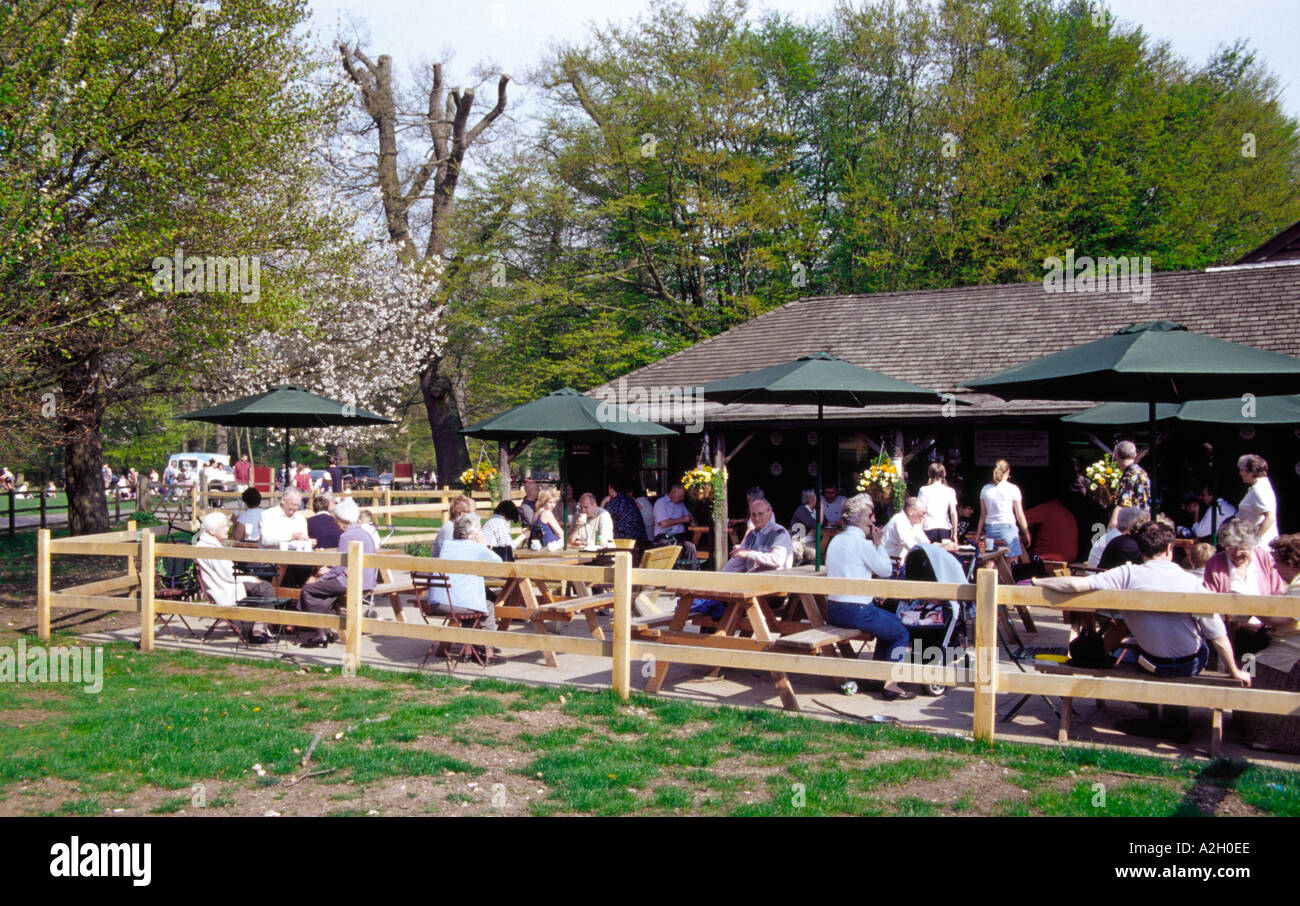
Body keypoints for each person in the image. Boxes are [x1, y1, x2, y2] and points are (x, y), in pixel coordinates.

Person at [1031, 522, 1252, 685]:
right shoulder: (1191, 582)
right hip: (1189, 664)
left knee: (1134, 634)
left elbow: (1077, 585)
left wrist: (1038, 581)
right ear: (1169, 549)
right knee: (1200, 641)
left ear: (1140, 550)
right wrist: (1234, 671)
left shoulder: (1126, 574)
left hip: (1152, 662)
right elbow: (1218, 636)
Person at [825, 493, 912, 701]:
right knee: (901, 633)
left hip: (835, 609)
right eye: (869, 515)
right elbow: (885, 570)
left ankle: (876, 677)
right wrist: (879, 543)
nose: (873, 520)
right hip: (857, 610)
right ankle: (891, 684)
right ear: (857, 519)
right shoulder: (863, 544)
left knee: (893, 624)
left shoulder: (836, 541)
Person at [689, 498, 792, 619]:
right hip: (755, 588)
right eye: (753, 514)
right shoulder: (752, 535)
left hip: (774, 593)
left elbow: (777, 560)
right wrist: (718, 580)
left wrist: (748, 553)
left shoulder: (779, 533)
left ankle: (718, 634)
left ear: (770, 513)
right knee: (715, 604)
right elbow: (737, 562)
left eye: (760, 514)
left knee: (726, 607)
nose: (757, 517)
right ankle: (713, 635)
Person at [421, 514, 504, 663]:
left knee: (473, 600)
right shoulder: (475, 547)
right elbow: (499, 563)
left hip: (437, 603)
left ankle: (467, 651)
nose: (482, 532)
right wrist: (483, 546)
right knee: (487, 603)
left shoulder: (447, 545)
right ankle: (489, 653)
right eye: (479, 529)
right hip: (457, 605)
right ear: (472, 533)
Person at [298, 499, 377, 648]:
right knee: (326, 593)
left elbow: (339, 569)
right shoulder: (366, 533)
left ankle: (320, 633)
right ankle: (324, 631)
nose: (336, 523)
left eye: (337, 520)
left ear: (344, 520)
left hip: (350, 581)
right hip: (367, 581)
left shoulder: (346, 536)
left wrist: (319, 578)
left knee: (309, 590)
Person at [192, 511, 274, 643]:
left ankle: (255, 627)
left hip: (224, 584)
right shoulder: (212, 548)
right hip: (224, 588)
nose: (228, 528)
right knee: (266, 588)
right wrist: (251, 578)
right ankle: (257, 631)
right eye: (224, 526)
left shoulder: (206, 544)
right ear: (212, 531)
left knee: (262, 586)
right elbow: (229, 576)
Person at [976, 459, 1031, 560]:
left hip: (990, 529)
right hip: (1008, 528)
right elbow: (1019, 515)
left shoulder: (985, 489)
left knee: (991, 562)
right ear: (1008, 471)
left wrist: (978, 534)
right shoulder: (1013, 489)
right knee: (1011, 562)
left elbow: (983, 514)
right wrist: (1026, 533)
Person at [1236, 454, 1278, 548]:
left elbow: (1270, 518)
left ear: (1250, 472)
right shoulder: (1260, 485)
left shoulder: (1259, 489)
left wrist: (1253, 540)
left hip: (1259, 546)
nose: (1240, 473)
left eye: (1241, 470)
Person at [1108, 440, 1151, 529]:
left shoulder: (1129, 475)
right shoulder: (1142, 472)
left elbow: (1123, 503)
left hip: (1133, 524)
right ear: (1134, 455)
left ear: (1117, 456)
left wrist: (1111, 526)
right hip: (1145, 521)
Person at [1023, 499, 1078, 563]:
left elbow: (1019, 520)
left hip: (1047, 558)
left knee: (1017, 540)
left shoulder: (1046, 508)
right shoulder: (1066, 512)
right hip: (1070, 559)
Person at [652, 483, 696, 560]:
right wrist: (683, 519)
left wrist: (691, 520)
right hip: (664, 536)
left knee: (690, 547)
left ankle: (693, 571)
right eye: (680, 496)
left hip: (679, 537)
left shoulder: (680, 504)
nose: (682, 498)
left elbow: (689, 516)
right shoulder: (661, 503)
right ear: (673, 493)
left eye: (683, 496)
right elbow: (664, 523)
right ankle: (673, 571)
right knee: (671, 548)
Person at [917, 463, 958, 544]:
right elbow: (953, 512)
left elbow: (921, 512)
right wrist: (955, 533)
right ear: (944, 474)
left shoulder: (924, 490)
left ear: (929, 473)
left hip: (928, 528)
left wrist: (919, 530)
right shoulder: (950, 491)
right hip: (945, 528)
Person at [881, 497, 930, 561]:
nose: (924, 516)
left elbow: (925, 542)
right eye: (922, 513)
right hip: (887, 561)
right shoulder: (899, 520)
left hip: (896, 562)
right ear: (911, 511)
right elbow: (910, 545)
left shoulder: (914, 523)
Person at [1269, 535, 1300, 632]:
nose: (1274, 566)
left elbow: (1277, 620)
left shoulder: (1298, 587)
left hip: (1289, 644)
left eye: (1277, 561)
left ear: (1290, 562)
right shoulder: (1292, 584)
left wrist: (1249, 604)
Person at [789, 489, 819, 565]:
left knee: (817, 555)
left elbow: (825, 522)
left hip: (808, 542)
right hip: (798, 541)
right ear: (813, 498)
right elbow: (814, 524)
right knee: (797, 557)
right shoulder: (802, 509)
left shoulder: (815, 511)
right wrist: (821, 507)